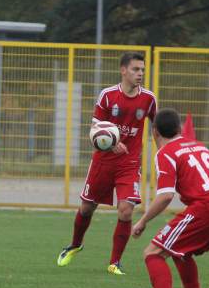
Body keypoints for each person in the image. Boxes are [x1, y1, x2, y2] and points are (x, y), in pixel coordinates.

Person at [131, 108, 209, 288]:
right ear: (180, 128)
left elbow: (165, 197)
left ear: (154, 132)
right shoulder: (200, 146)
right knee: (182, 252)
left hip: (208, 209)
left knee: (152, 253)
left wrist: (142, 221)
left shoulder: (166, 153)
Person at [57, 52, 157, 275]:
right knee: (86, 208)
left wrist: (164, 152)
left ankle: (114, 263)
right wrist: (112, 144)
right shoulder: (107, 96)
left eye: (142, 70)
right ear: (123, 70)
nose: (140, 74)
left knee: (126, 211)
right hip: (102, 162)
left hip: (129, 164)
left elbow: (157, 129)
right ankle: (75, 245)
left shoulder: (149, 99)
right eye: (135, 69)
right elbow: (94, 129)